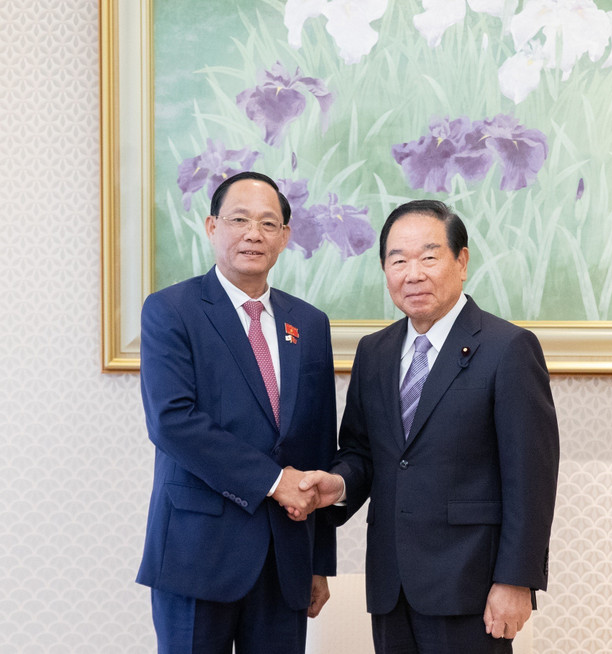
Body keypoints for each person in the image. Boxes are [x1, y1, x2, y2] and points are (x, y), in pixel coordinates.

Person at [293, 200, 560, 653]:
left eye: (429, 257)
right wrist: (338, 485)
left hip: (470, 583)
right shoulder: (374, 352)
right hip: (391, 583)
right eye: (398, 260)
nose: (412, 274)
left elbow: (531, 477)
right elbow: (363, 452)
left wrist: (516, 580)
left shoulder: (508, 348)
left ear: (462, 261)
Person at [137, 171, 337, 653]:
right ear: (212, 227)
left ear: (285, 237)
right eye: (239, 220)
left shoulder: (309, 323)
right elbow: (173, 422)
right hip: (196, 553)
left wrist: (318, 562)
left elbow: (318, 444)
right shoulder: (171, 310)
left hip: (285, 558)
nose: (254, 234)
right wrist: (273, 481)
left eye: (268, 223)